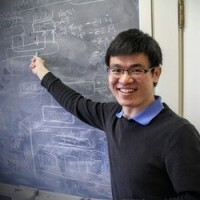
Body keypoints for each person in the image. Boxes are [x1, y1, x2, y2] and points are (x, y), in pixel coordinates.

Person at [30, 28, 200, 200]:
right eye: (117, 70)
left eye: (136, 70)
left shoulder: (179, 133)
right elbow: (74, 103)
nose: (125, 79)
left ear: (155, 74)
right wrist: (41, 71)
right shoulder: (112, 115)